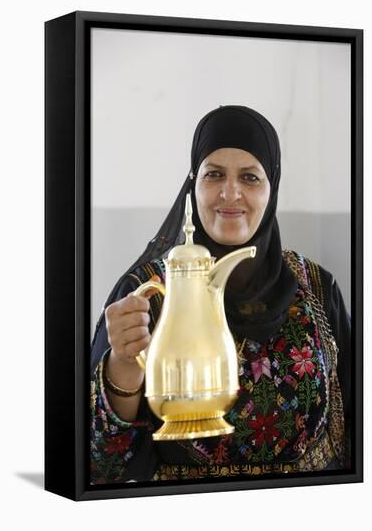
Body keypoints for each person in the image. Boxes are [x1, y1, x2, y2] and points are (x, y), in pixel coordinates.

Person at [90, 105, 351, 484]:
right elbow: (102, 463)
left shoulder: (316, 287)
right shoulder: (146, 295)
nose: (231, 193)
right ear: (192, 185)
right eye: (214, 175)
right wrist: (124, 366)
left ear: (271, 188)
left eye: (250, 177)